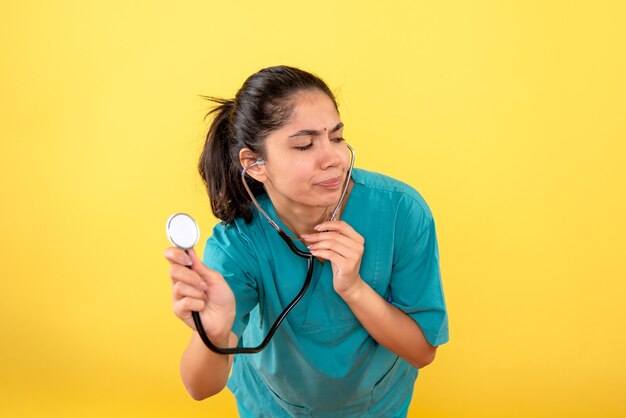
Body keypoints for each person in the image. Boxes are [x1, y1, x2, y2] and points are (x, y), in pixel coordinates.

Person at [164, 65, 449, 417]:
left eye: (337, 137)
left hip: (377, 405)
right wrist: (215, 333)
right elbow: (200, 387)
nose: (334, 158)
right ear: (255, 165)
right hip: (272, 406)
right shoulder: (239, 242)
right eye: (304, 144)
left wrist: (354, 288)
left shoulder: (401, 212)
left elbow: (422, 351)